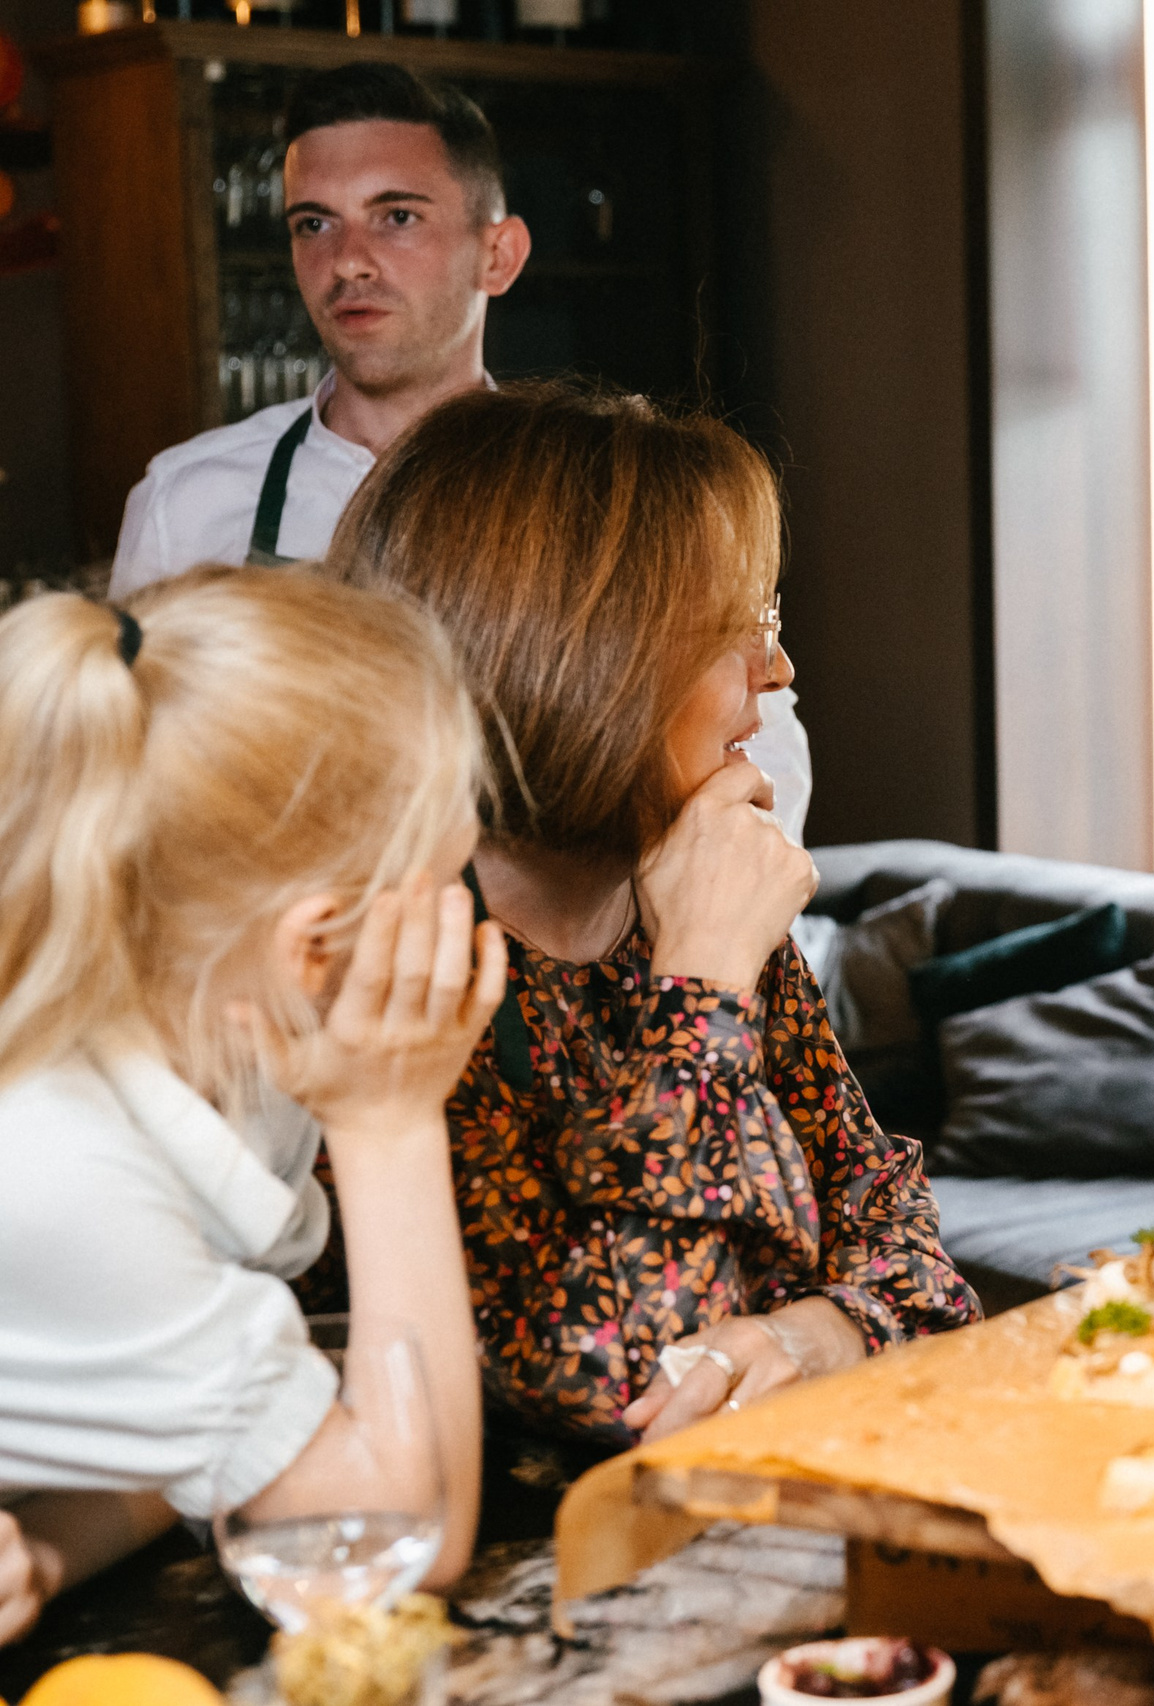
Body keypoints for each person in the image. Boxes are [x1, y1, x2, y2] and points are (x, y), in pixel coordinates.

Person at [322, 381, 979, 1447]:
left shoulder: (691, 879)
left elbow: (913, 1253)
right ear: (580, 660)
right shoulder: (391, 964)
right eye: (738, 626)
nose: (779, 666)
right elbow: (608, 1389)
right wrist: (704, 983)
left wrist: (819, 1332)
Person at [102, 61, 812, 838]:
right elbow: (121, 772)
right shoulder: (186, 499)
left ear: (498, 255)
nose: (346, 261)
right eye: (314, 223)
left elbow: (764, 758)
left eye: (396, 216)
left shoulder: (602, 498)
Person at [0, 570, 502, 1640]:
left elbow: (230, 1447)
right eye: (453, 885)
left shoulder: (228, 1056)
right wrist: (392, 1124)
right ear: (313, 945)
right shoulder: (58, 1158)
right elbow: (396, 1541)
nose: (472, 926)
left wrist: (45, 1545)